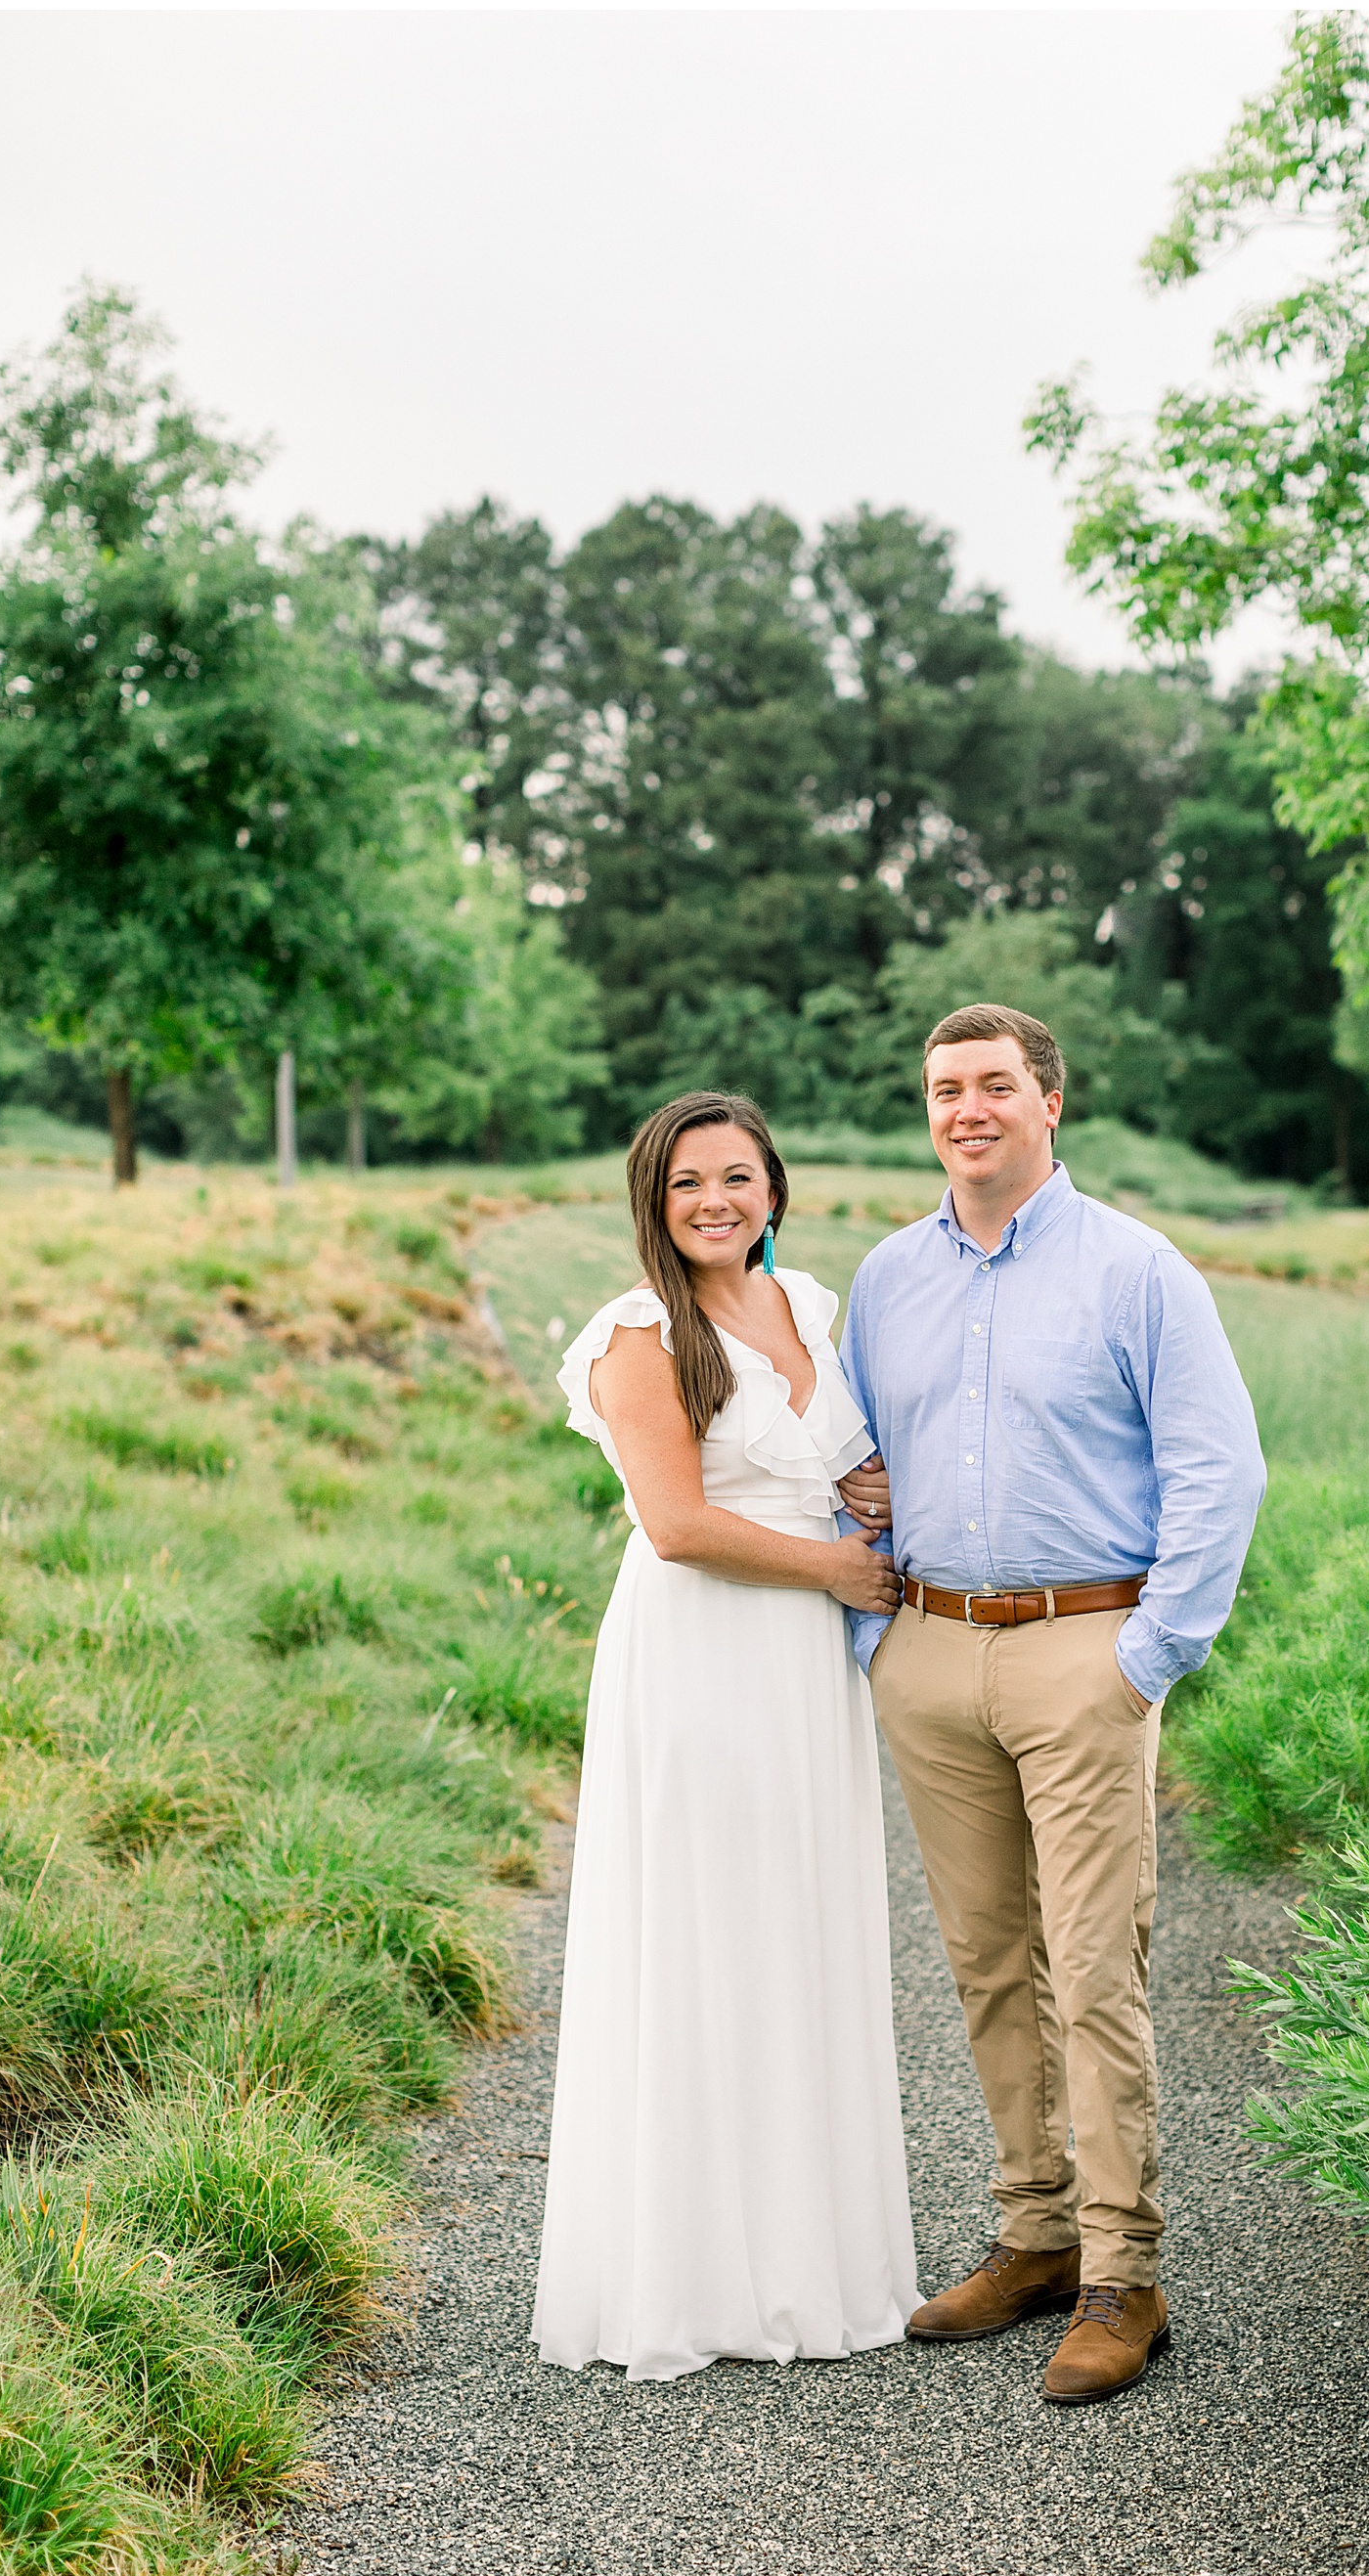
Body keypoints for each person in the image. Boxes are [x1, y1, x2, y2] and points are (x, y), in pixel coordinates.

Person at [836, 1003, 1265, 2406]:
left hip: (1088, 1644)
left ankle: (1122, 2269)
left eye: (996, 1085)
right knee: (982, 1959)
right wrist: (872, 1641)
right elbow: (852, 1470)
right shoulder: (890, 1279)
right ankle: (1031, 2228)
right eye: (946, 1088)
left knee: (1093, 1965)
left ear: (1051, 1102)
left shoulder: (1138, 1269)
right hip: (934, 1653)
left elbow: (1220, 1472)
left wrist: (1151, 1657)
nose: (969, 1108)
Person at [531, 1090, 918, 2382]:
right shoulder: (640, 1335)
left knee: (797, 1929)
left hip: (803, 1669)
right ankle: (692, 2279)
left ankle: (808, 2266)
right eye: (689, 1180)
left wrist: (867, 1499)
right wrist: (835, 1569)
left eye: (737, 1176)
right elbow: (679, 1524)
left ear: (773, 1186)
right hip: (701, 1654)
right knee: (707, 1936)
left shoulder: (806, 1302)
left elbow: (841, 1462)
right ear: (655, 1196)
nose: (715, 1200)